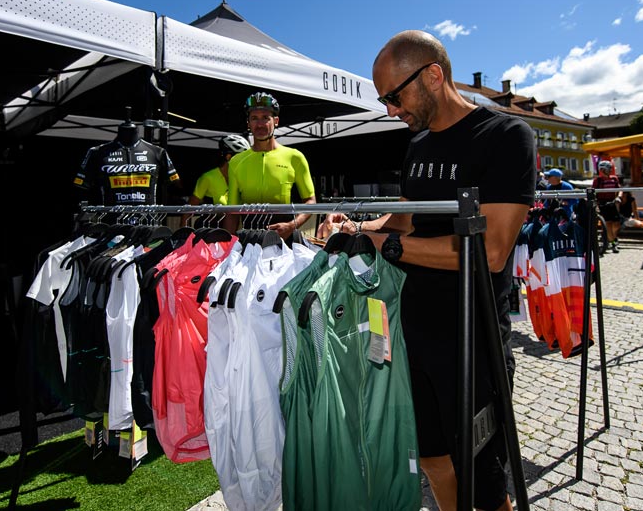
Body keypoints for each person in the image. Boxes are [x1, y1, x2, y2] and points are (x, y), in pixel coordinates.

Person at [329, 30, 534, 511]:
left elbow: (493, 252)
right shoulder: (417, 145)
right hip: (411, 333)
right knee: (432, 458)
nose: (389, 110)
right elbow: (403, 219)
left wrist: (390, 246)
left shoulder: (505, 136)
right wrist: (356, 226)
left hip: (473, 342)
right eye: (384, 100)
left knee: (484, 482)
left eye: (394, 97)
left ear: (434, 75)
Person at [225, 92, 317, 242]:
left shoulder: (295, 157)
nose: (260, 124)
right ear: (248, 123)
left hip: (285, 237)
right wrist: (227, 245)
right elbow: (232, 211)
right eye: (254, 118)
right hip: (250, 239)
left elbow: (311, 201)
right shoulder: (236, 161)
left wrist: (292, 225)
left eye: (265, 118)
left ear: (276, 121)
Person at [182, 134, 250, 226]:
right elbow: (188, 209)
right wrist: (184, 235)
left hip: (235, 234)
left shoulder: (242, 179)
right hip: (212, 234)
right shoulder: (208, 178)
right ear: (229, 157)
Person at [592, 160, 624, 253]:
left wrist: (619, 197)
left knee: (617, 223)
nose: (610, 170)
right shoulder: (597, 180)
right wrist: (596, 204)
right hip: (602, 204)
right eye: (609, 168)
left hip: (613, 202)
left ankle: (611, 238)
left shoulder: (614, 178)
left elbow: (620, 189)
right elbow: (593, 193)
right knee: (608, 224)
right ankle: (614, 242)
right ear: (602, 169)